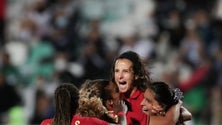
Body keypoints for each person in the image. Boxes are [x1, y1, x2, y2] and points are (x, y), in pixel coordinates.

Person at [110, 51, 151, 125]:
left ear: (136, 75)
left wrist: (121, 113)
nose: (120, 76)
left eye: (125, 71)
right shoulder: (111, 98)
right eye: (117, 71)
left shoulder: (147, 100)